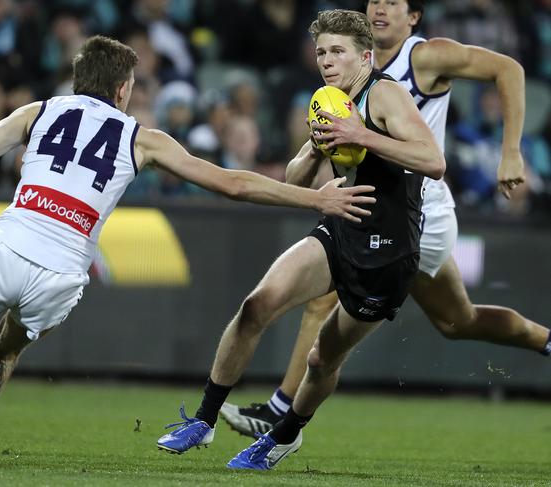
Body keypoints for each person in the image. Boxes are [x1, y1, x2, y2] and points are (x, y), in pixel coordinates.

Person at [0, 35, 376, 465]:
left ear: (77, 79)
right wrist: (316, 198)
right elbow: (232, 183)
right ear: (124, 90)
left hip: (12, 244)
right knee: (1, 357)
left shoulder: (40, 110)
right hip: (64, 275)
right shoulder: (142, 138)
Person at [220, 0, 551, 441]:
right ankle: (545, 339)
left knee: (324, 298)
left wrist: (512, 150)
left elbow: (509, 68)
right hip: (376, 206)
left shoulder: (425, 57)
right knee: (459, 321)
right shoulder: (348, 69)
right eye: (375, 1)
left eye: (393, 3)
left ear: (413, 16)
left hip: (423, 210)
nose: (380, 9)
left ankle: (282, 411)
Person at [157, 9, 446, 466]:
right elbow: (297, 176)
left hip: (388, 250)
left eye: (337, 52)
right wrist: (315, 145)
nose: (327, 61)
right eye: (320, 52)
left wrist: (361, 135)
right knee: (257, 305)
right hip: (338, 226)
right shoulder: (328, 100)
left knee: (321, 360)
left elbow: (433, 160)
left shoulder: (386, 95)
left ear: (365, 56)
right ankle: (203, 420)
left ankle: (285, 435)